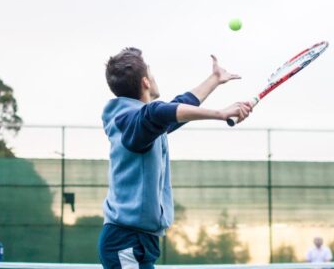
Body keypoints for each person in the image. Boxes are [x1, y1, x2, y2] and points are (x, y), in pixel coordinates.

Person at [97, 48, 252, 268]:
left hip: (141, 239)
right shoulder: (133, 123)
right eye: (151, 73)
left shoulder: (142, 124)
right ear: (146, 82)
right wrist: (219, 113)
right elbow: (159, 112)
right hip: (125, 240)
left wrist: (215, 79)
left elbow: (176, 107)